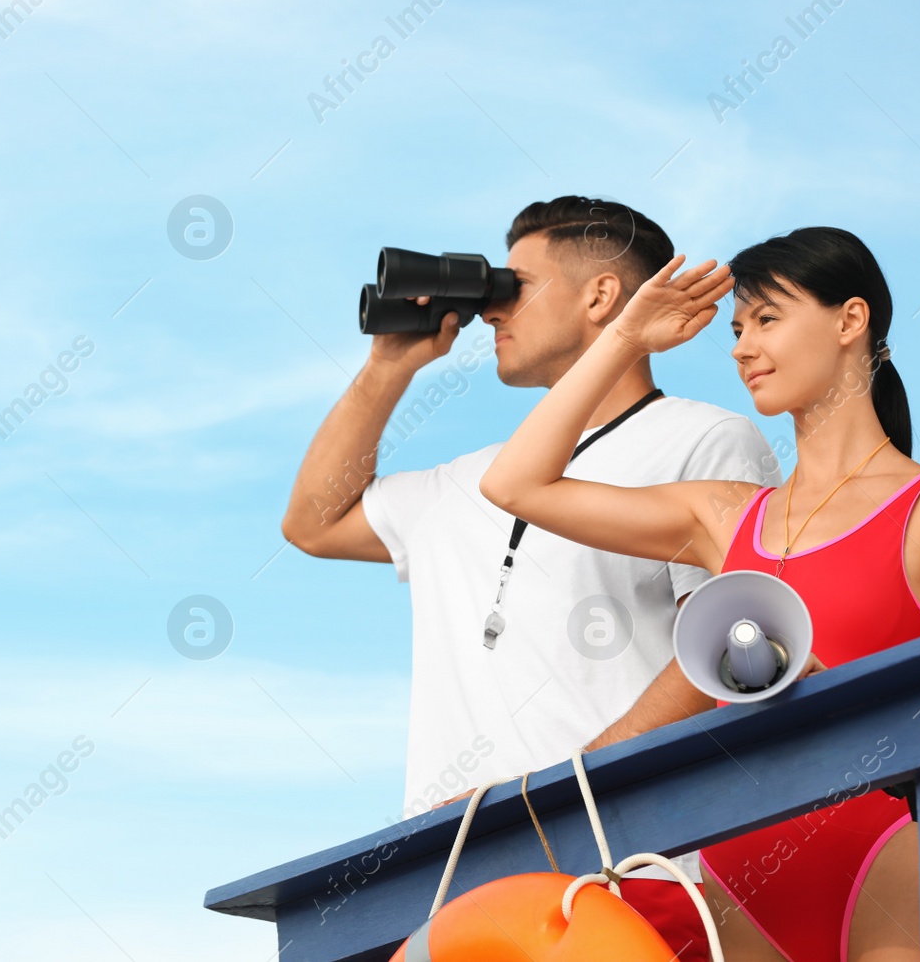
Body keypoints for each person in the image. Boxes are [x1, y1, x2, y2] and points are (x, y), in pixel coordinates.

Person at [479, 227, 920, 962]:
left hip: (885, 850)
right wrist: (625, 336)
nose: (740, 346)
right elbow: (516, 484)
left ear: (850, 320)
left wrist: (841, 694)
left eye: (766, 319)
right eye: (734, 328)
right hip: (737, 875)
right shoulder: (727, 516)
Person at [280, 197, 781, 958]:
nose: (491, 312)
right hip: (448, 883)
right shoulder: (467, 478)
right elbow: (313, 521)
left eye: (516, 286)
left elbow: (717, 647)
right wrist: (389, 366)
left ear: (601, 296)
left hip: (618, 866)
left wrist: (555, 799)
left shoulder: (705, 439)